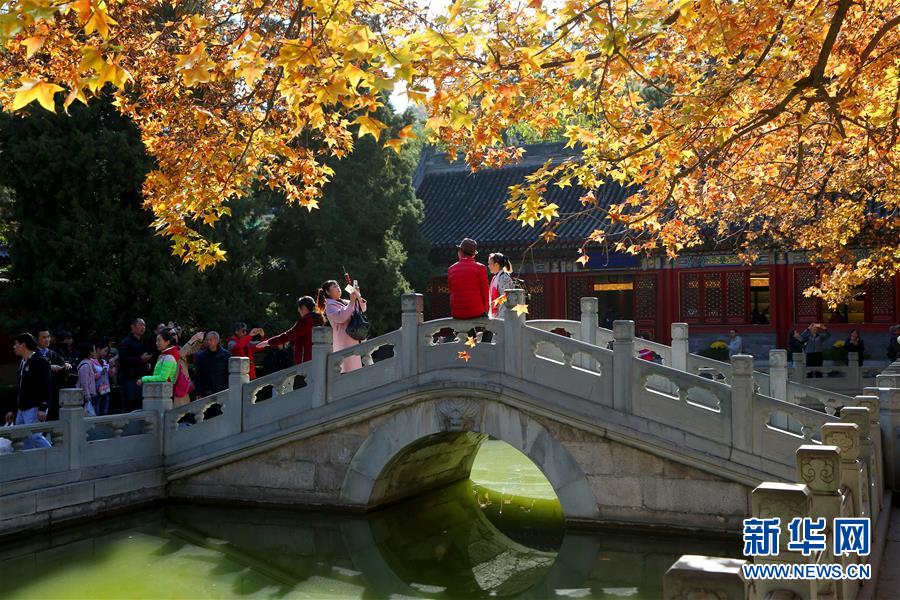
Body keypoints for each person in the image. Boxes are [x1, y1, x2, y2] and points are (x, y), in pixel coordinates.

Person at [5, 334, 52, 448]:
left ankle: (55, 456)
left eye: (16, 344)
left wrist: (43, 407)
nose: (14, 347)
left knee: (34, 436)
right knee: (21, 436)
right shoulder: (23, 361)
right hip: (22, 408)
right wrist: (13, 409)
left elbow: (46, 386)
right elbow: (20, 388)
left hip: (34, 407)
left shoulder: (40, 361)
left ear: (23, 345)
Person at [257, 297, 324, 366]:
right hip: (319, 358)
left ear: (303, 308)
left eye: (299, 308)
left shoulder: (305, 321)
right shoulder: (319, 320)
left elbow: (288, 335)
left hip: (306, 361)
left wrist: (268, 342)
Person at [318, 280, 367, 373]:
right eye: (334, 287)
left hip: (354, 338)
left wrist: (358, 295)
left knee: (357, 370)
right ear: (328, 292)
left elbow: (363, 308)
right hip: (344, 341)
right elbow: (341, 317)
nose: (338, 288)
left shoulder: (345, 301)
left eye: (338, 286)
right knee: (348, 370)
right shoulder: (329, 306)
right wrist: (352, 301)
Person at [35, 327, 72, 421]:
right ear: (36, 339)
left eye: (48, 337)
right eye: (44, 337)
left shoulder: (52, 353)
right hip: (39, 396)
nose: (47, 339)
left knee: (54, 424)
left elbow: (63, 363)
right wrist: (48, 367)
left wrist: (66, 365)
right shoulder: (33, 354)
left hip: (54, 394)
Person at [447, 238, 489, 320]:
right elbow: (485, 293)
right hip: (476, 311)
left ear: (460, 252)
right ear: (473, 254)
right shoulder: (481, 268)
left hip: (457, 314)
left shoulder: (451, 269)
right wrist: (486, 311)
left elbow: (451, 291)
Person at [119, 318, 152, 412]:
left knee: (140, 406)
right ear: (133, 326)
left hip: (140, 379)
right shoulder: (126, 342)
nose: (143, 327)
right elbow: (123, 360)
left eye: (144, 325)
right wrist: (140, 359)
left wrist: (146, 364)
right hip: (130, 379)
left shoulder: (141, 342)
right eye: (140, 324)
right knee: (131, 407)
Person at [194, 332, 232, 398]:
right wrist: (198, 392)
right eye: (207, 340)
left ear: (217, 340)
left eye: (211, 340)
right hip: (207, 392)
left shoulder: (226, 355)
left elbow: (229, 374)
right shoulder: (201, 356)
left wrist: (227, 389)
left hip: (222, 391)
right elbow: (198, 375)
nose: (208, 342)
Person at [488, 252, 515, 319]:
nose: (488, 266)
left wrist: (495, 302)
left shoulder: (504, 278)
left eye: (490, 264)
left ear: (496, 264)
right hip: (499, 312)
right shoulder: (497, 277)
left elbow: (507, 295)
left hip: (504, 314)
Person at [76, 341, 99, 416]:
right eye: (94, 350)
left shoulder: (89, 362)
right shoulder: (85, 365)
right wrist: (87, 395)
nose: (96, 352)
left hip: (90, 395)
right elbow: (84, 382)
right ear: (90, 352)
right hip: (85, 397)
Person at [94, 339, 113, 416]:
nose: (106, 353)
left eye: (107, 351)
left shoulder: (105, 362)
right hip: (96, 391)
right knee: (96, 411)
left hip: (105, 389)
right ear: (98, 349)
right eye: (104, 351)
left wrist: (111, 367)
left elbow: (110, 375)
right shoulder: (91, 362)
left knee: (104, 411)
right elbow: (91, 377)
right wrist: (101, 372)